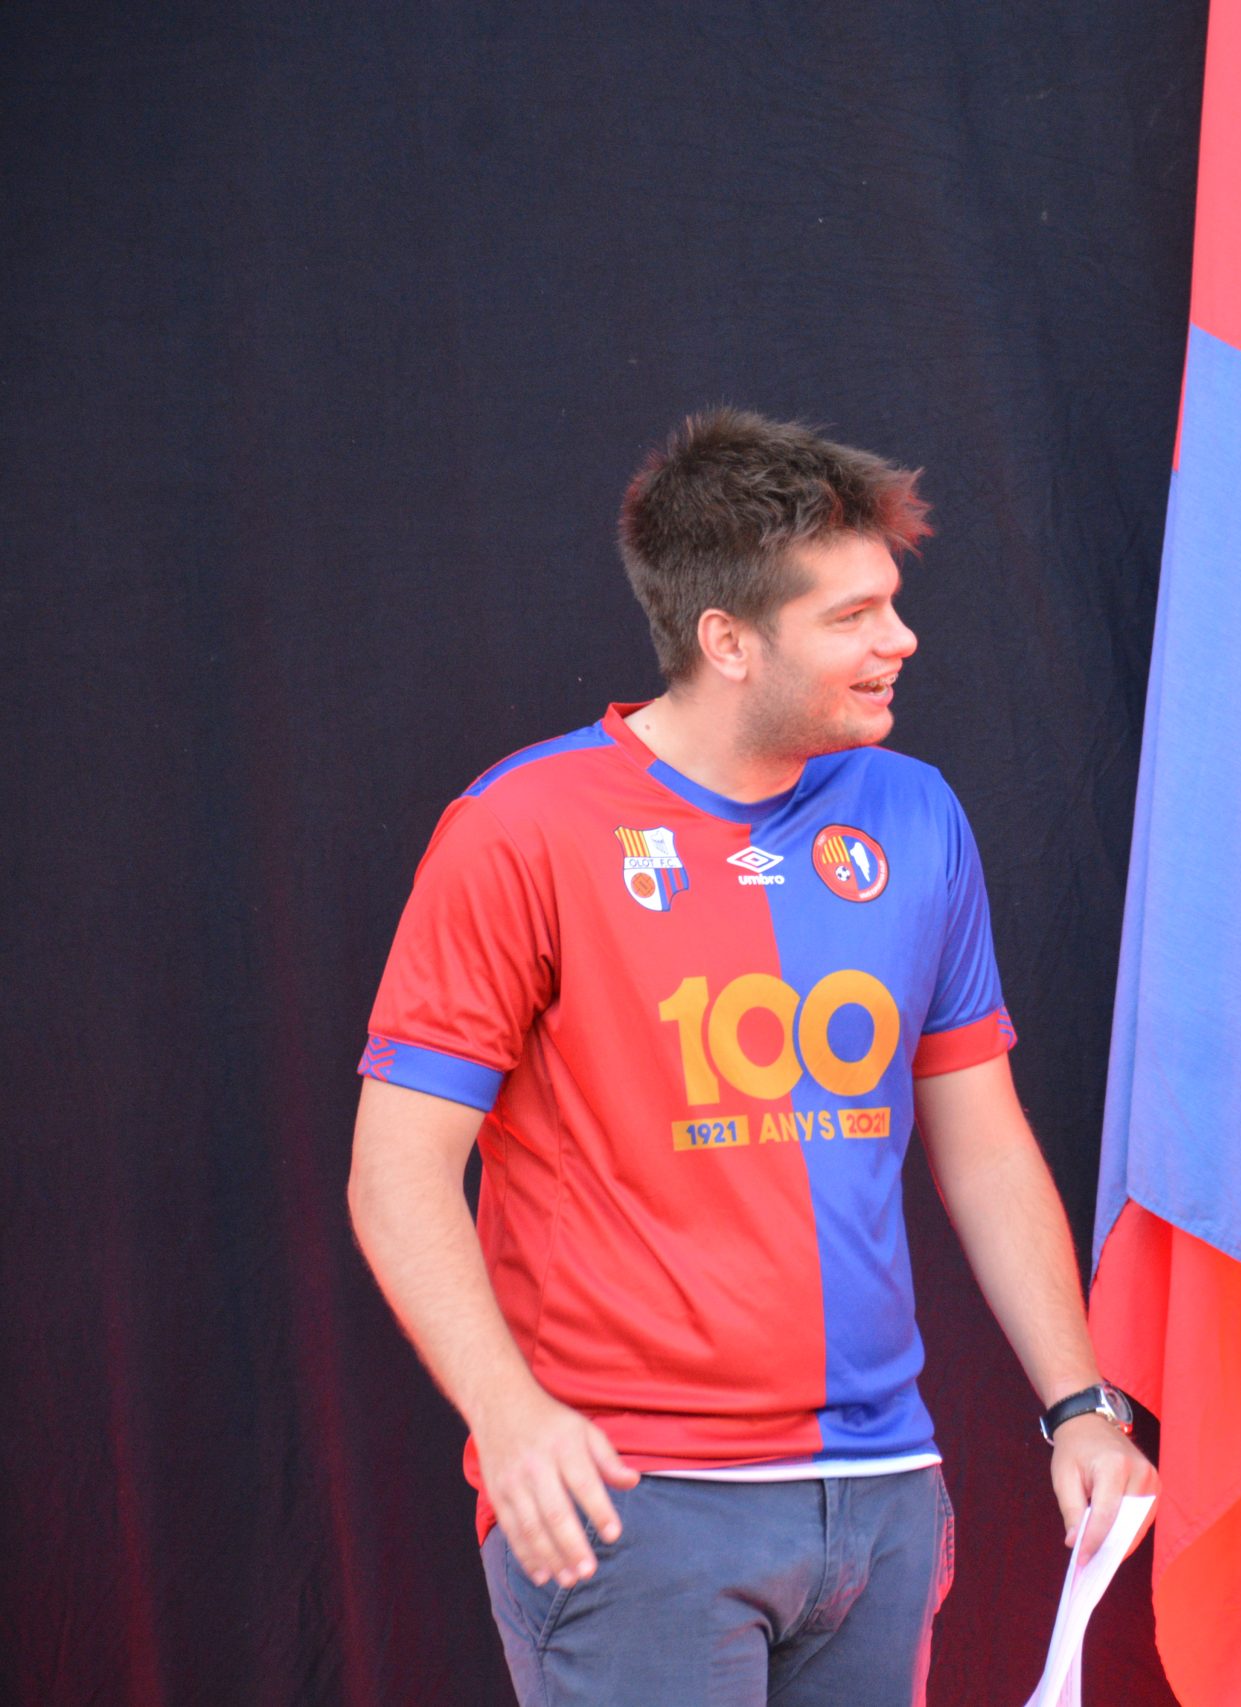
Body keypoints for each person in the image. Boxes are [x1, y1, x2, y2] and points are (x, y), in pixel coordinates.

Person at [348, 409, 1153, 1706]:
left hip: (883, 1495)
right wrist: (506, 1410)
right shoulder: (523, 828)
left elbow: (985, 1139)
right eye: (852, 616)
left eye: (892, 603)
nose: (901, 639)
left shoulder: (916, 812)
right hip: (636, 1504)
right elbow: (396, 1174)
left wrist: (1078, 1405)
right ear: (726, 641)